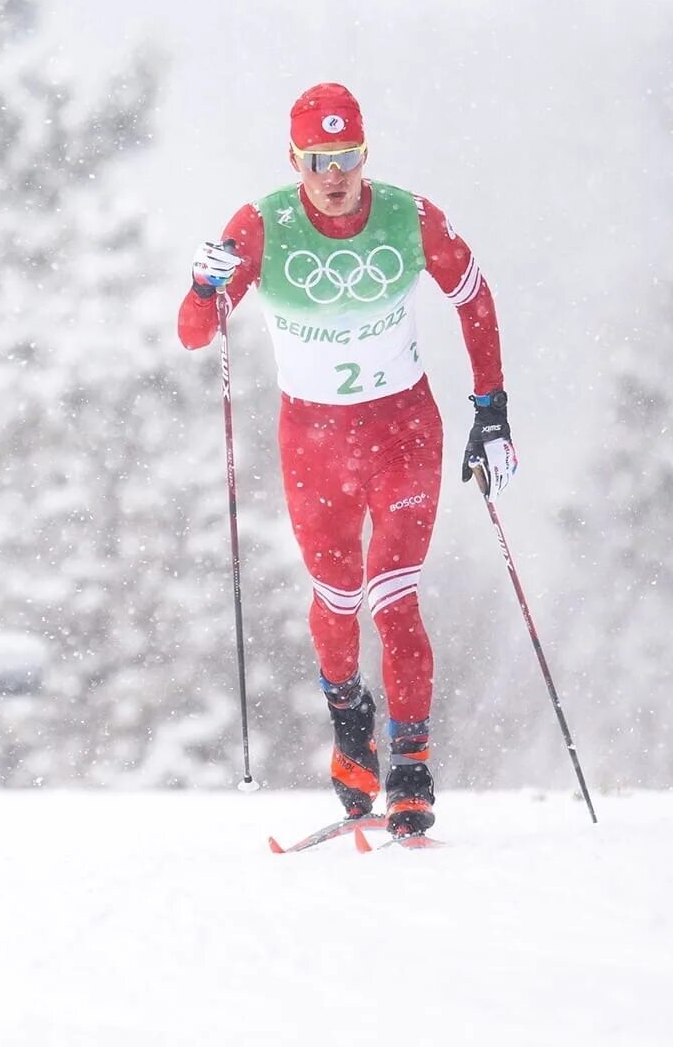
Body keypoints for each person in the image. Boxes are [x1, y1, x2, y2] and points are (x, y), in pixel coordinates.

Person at [178, 82, 515, 836]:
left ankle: (412, 766)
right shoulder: (261, 226)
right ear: (295, 159)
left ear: (367, 153)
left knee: (395, 598)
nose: (335, 175)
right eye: (319, 159)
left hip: (403, 433)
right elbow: (196, 333)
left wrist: (490, 409)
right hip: (315, 444)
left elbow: (475, 296)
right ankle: (349, 722)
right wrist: (204, 285)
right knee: (335, 602)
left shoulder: (409, 216)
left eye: (349, 156)